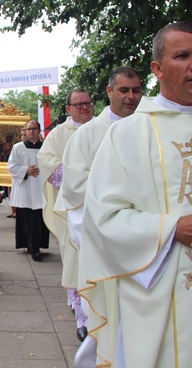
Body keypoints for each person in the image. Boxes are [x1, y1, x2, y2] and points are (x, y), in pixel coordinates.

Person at [78, 22, 192, 367]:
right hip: (157, 297)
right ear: (157, 68)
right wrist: (173, 229)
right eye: (183, 56)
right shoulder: (127, 134)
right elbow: (103, 218)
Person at [54, 66, 142, 342]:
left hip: (146, 233)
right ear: (109, 91)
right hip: (103, 230)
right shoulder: (87, 134)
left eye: (136, 90)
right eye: (124, 90)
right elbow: (74, 186)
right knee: (107, 310)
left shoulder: (150, 127)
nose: (131, 97)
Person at [37, 88, 93, 330]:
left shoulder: (103, 128)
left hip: (103, 205)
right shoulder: (59, 133)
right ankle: (82, 315)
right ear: (68, 109)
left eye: (87, 103)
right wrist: (83, 179)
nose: (84, 108)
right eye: (78, 104)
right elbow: (46, 161)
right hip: (73, 207)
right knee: (75, 257)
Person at [7, 120, 48, 261]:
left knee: (39, 219)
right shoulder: (18, 148)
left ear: (39, 131)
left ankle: (37, 245)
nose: (31, 131)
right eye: (29, 129)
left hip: (40, 188)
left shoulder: (46, 147)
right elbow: (11, 167)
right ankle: (30, 245)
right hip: (25, 189)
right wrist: (26, 170)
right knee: (27, 220)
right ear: (25, 131)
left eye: (34, 129)